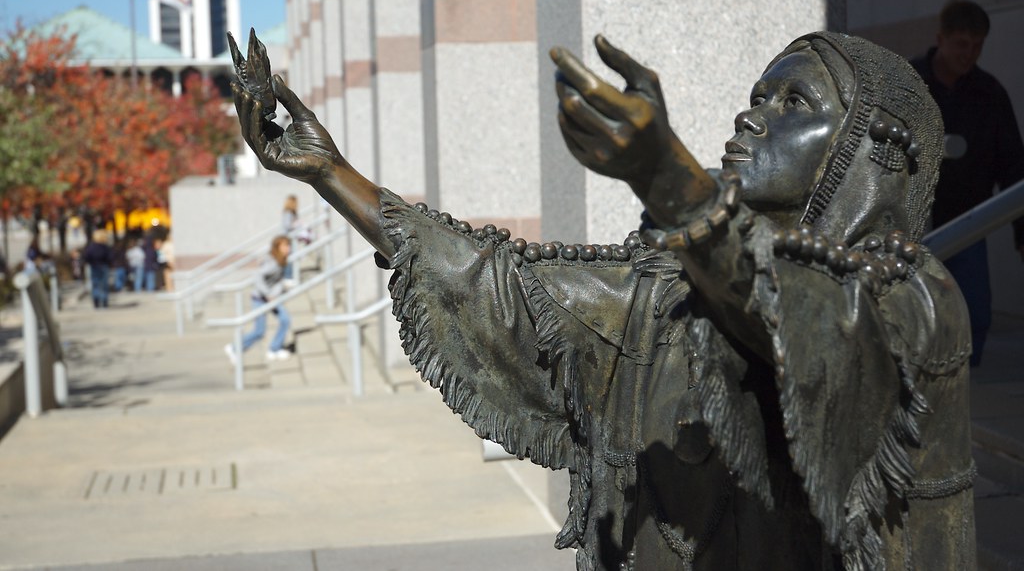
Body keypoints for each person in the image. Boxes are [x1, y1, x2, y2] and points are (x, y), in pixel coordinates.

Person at [230, 30, 974, 569]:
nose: (754, 117)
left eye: (794, 102)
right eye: (756, 97)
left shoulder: (909, 300)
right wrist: (332, 174)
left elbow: (786, 317)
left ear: (868, 152)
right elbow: (504, 284)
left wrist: (669, 181)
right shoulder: (674, 284)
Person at [911, 0, 1024, 367]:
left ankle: (963, 381)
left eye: (977, 46)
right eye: (962, 44)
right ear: (941, 39)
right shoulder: (910, 84)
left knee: (974, 315)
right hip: (911, 221)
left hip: (968, 221)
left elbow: (1013, 163)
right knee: (912, 313)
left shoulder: (989, 93)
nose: (969, 54)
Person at [224, 234, 293, 365]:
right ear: (277, 247)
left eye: (289, 245)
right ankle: (234, 348)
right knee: (259, 331)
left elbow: (277, 280)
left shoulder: (281, 260)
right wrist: (268, 294)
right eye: (285, 245)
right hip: (260, 299)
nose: (288, 248)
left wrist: (277, 291)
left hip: (271, 298)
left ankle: (274, 348)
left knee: (285, 319)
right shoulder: (271, 262)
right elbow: (258, 277)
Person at [82, 229, 113, 308]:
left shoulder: (91, 247)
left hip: (94, 266)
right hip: (103, 266)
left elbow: (86, 256)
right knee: (104, 285)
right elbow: (110, 257)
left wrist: (90, 262)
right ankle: (104, 301)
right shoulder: (105, 247)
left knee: (95, 284)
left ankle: (96, 300)